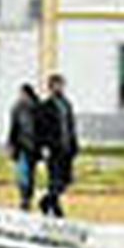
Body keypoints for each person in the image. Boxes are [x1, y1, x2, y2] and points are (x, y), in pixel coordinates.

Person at [37, 73, 78, 218]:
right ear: (50, 87)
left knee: (66, 181)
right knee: (55, 179)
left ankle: (46, 201)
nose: (59, 88)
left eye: (61, 84)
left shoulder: (67, 104)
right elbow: (41, 129)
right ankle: (55, 208)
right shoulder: (46, 106)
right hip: (54, 149)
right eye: (56, 85)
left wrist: (74, 144)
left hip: (67, 149)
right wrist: (44, 146)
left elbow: (71, 126)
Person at [8, 83, 41, 211]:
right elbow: (13, 129)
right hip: (21, 146)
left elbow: (40, 128)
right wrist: (11, 145)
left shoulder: (37, 108)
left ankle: (28, 196)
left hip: (32, 147)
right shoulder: (17, 108)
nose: (21, 96)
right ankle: (24, 197)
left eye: (22, 94)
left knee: (30, 174)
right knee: (23, 173)